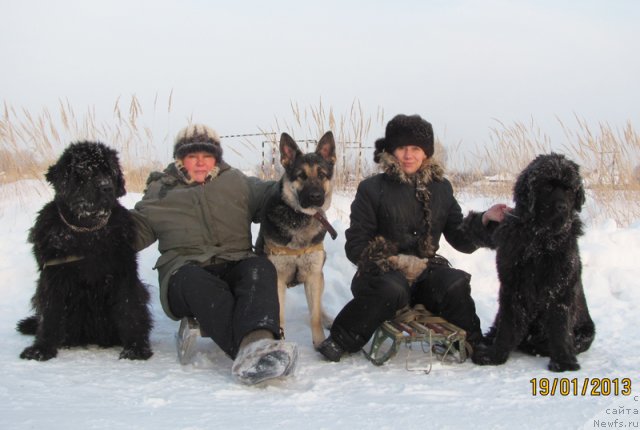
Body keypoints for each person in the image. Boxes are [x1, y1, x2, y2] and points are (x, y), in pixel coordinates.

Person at [317, 114, 509, 362]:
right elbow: (355, 244)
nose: (408, 155)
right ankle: (341, 339)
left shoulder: (441, 188)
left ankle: (472, 342)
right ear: (391, 152)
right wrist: (390, 261)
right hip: (380, 275)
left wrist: (485, 220)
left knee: (455, 282)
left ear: (426, 153)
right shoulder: (372, 189)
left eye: (415, 148)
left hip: (424, 275)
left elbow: (460, 237)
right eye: (401, 148)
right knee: (392, 288)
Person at [130, 123, 298, 385]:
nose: (200, 163)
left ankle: (258, 343)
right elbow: (131, 232)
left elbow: (275, 194)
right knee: (196, 280)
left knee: (259, 268)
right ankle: (250, 351)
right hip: (184, 273)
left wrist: (301, 179)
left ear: (216, 158)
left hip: (235, 262)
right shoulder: (159, 193)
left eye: (207, 156)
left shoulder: (237, 183)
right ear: (180, 159)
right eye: (192, 156)